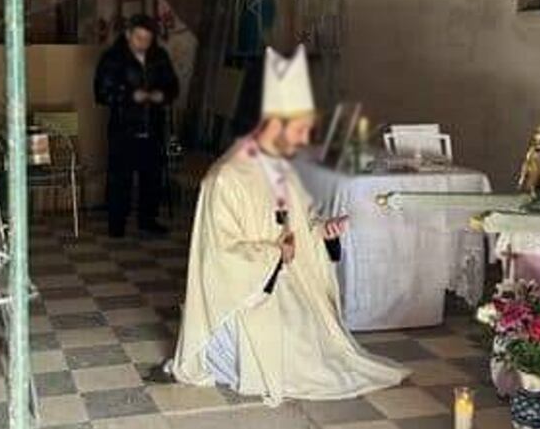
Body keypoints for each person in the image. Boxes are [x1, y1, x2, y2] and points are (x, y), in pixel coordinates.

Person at [164, 45, 406, 405]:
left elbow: (302, 222)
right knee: (296, 349)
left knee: (323, 347)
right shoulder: (225, 177)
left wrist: (322, 232)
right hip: (245, 297)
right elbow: (219, 258)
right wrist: (275, 252)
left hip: (286, 281)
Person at [93, 15, 179, 238]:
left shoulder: (159, 57)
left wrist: (163, 95)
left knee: (152, 175)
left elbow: (173, 85)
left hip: (153, 123)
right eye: (139, 38)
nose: (143, 43)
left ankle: (148, 220)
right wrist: (130, 95)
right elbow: (102, 93)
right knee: (120, 176)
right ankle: (116, 223)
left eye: (148, 39)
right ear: (129, 34)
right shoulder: (113, 58)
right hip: (124, 125)